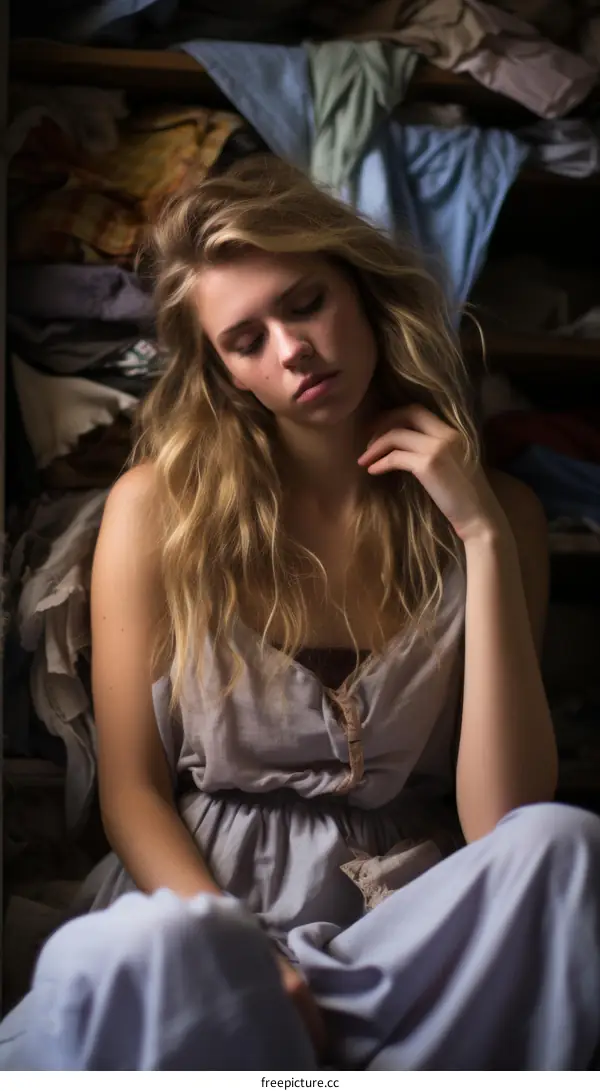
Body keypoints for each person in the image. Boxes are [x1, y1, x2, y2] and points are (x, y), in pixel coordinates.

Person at [2, 156, 600, 1071]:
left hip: (402, 934)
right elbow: (131, 790)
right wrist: (238, 949)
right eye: (247, 339)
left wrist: (478, 529)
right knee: (111, 957)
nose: (292, 349)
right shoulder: (157, 506)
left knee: (566, 844)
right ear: (225, 372)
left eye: (305, 302)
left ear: (360, 293)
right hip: (205, 914)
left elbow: (504, 823)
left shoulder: (499, 514)